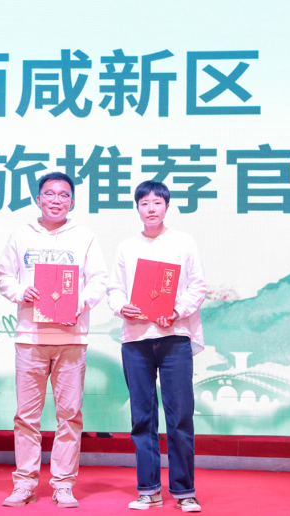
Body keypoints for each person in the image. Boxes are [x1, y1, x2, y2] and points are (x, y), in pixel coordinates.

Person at [0, 171, 108, 508]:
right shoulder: (21, 235)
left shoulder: (84, 236)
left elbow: (98, 280)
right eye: (49, 193)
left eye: (63, 195)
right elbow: (4, 275)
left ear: (71, 201)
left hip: (72, 337)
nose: (56, 200)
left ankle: (63, 484)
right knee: (26, 416)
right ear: (38, 199)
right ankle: (24, 483)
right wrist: (22, 292)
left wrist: (79, 302)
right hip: (30, 337)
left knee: (69, 415)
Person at [107, 181, 206, 513]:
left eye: (157, 202)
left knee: (180, 416)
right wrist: (122, 307)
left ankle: (184, 491)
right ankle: (148, 490)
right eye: (144, 203)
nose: (151, 208)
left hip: (175, 336)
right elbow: (114, 289)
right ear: (137, 208)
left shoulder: (184, 242)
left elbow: (198, 285)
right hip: (136, 340)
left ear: (167, 206)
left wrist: (176, 311)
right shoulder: (126, 247)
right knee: (142, 418)